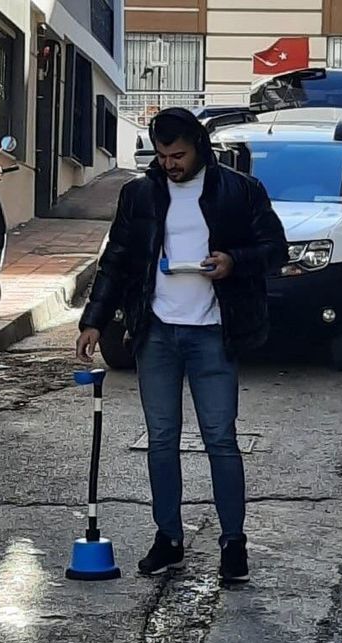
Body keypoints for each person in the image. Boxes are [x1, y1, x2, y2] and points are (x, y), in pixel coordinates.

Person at [76, 108, 287, 583]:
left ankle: (233, 544)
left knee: (221, 439)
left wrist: (234, 261)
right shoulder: (139, 194)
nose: (170, 164)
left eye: (179, 155)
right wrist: (94, 321)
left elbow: (275, 248)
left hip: (213, 331)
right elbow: (117, 260)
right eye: (163, 156)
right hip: (157, 333)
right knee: (161, 439)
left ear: (200, 148)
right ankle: (168, 538)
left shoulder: (240, 190)